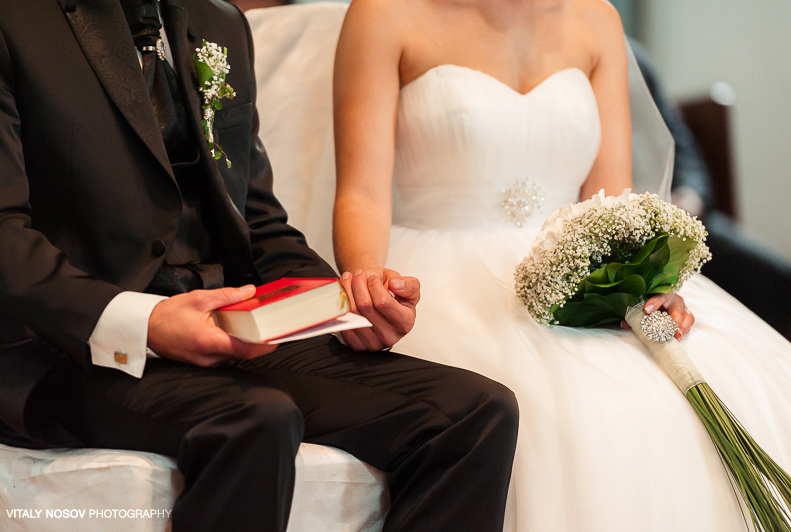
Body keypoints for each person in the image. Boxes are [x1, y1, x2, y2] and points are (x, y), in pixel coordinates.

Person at [0, 1, 520, 531]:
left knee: (474, 412)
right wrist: (147, 322)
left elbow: (257, 223)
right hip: (64, 347)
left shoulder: (218, 21)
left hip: (228, 327)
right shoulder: (8, 16)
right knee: (256, 418)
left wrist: (344, 304)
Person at [332, 0, 791, 530]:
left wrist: (647, 280)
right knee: (567, 416)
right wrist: (367, 278)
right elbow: (362, 192)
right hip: (439, 272)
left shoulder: (597, 19)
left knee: (735, 385)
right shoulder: (384, 13)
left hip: (576, 269)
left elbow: (612, 203)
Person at [629, 39, 791, 340]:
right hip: (619, 228)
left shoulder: (633, 57)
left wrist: (690, 194)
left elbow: (683, 145)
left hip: (684, 222)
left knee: (777, 280)